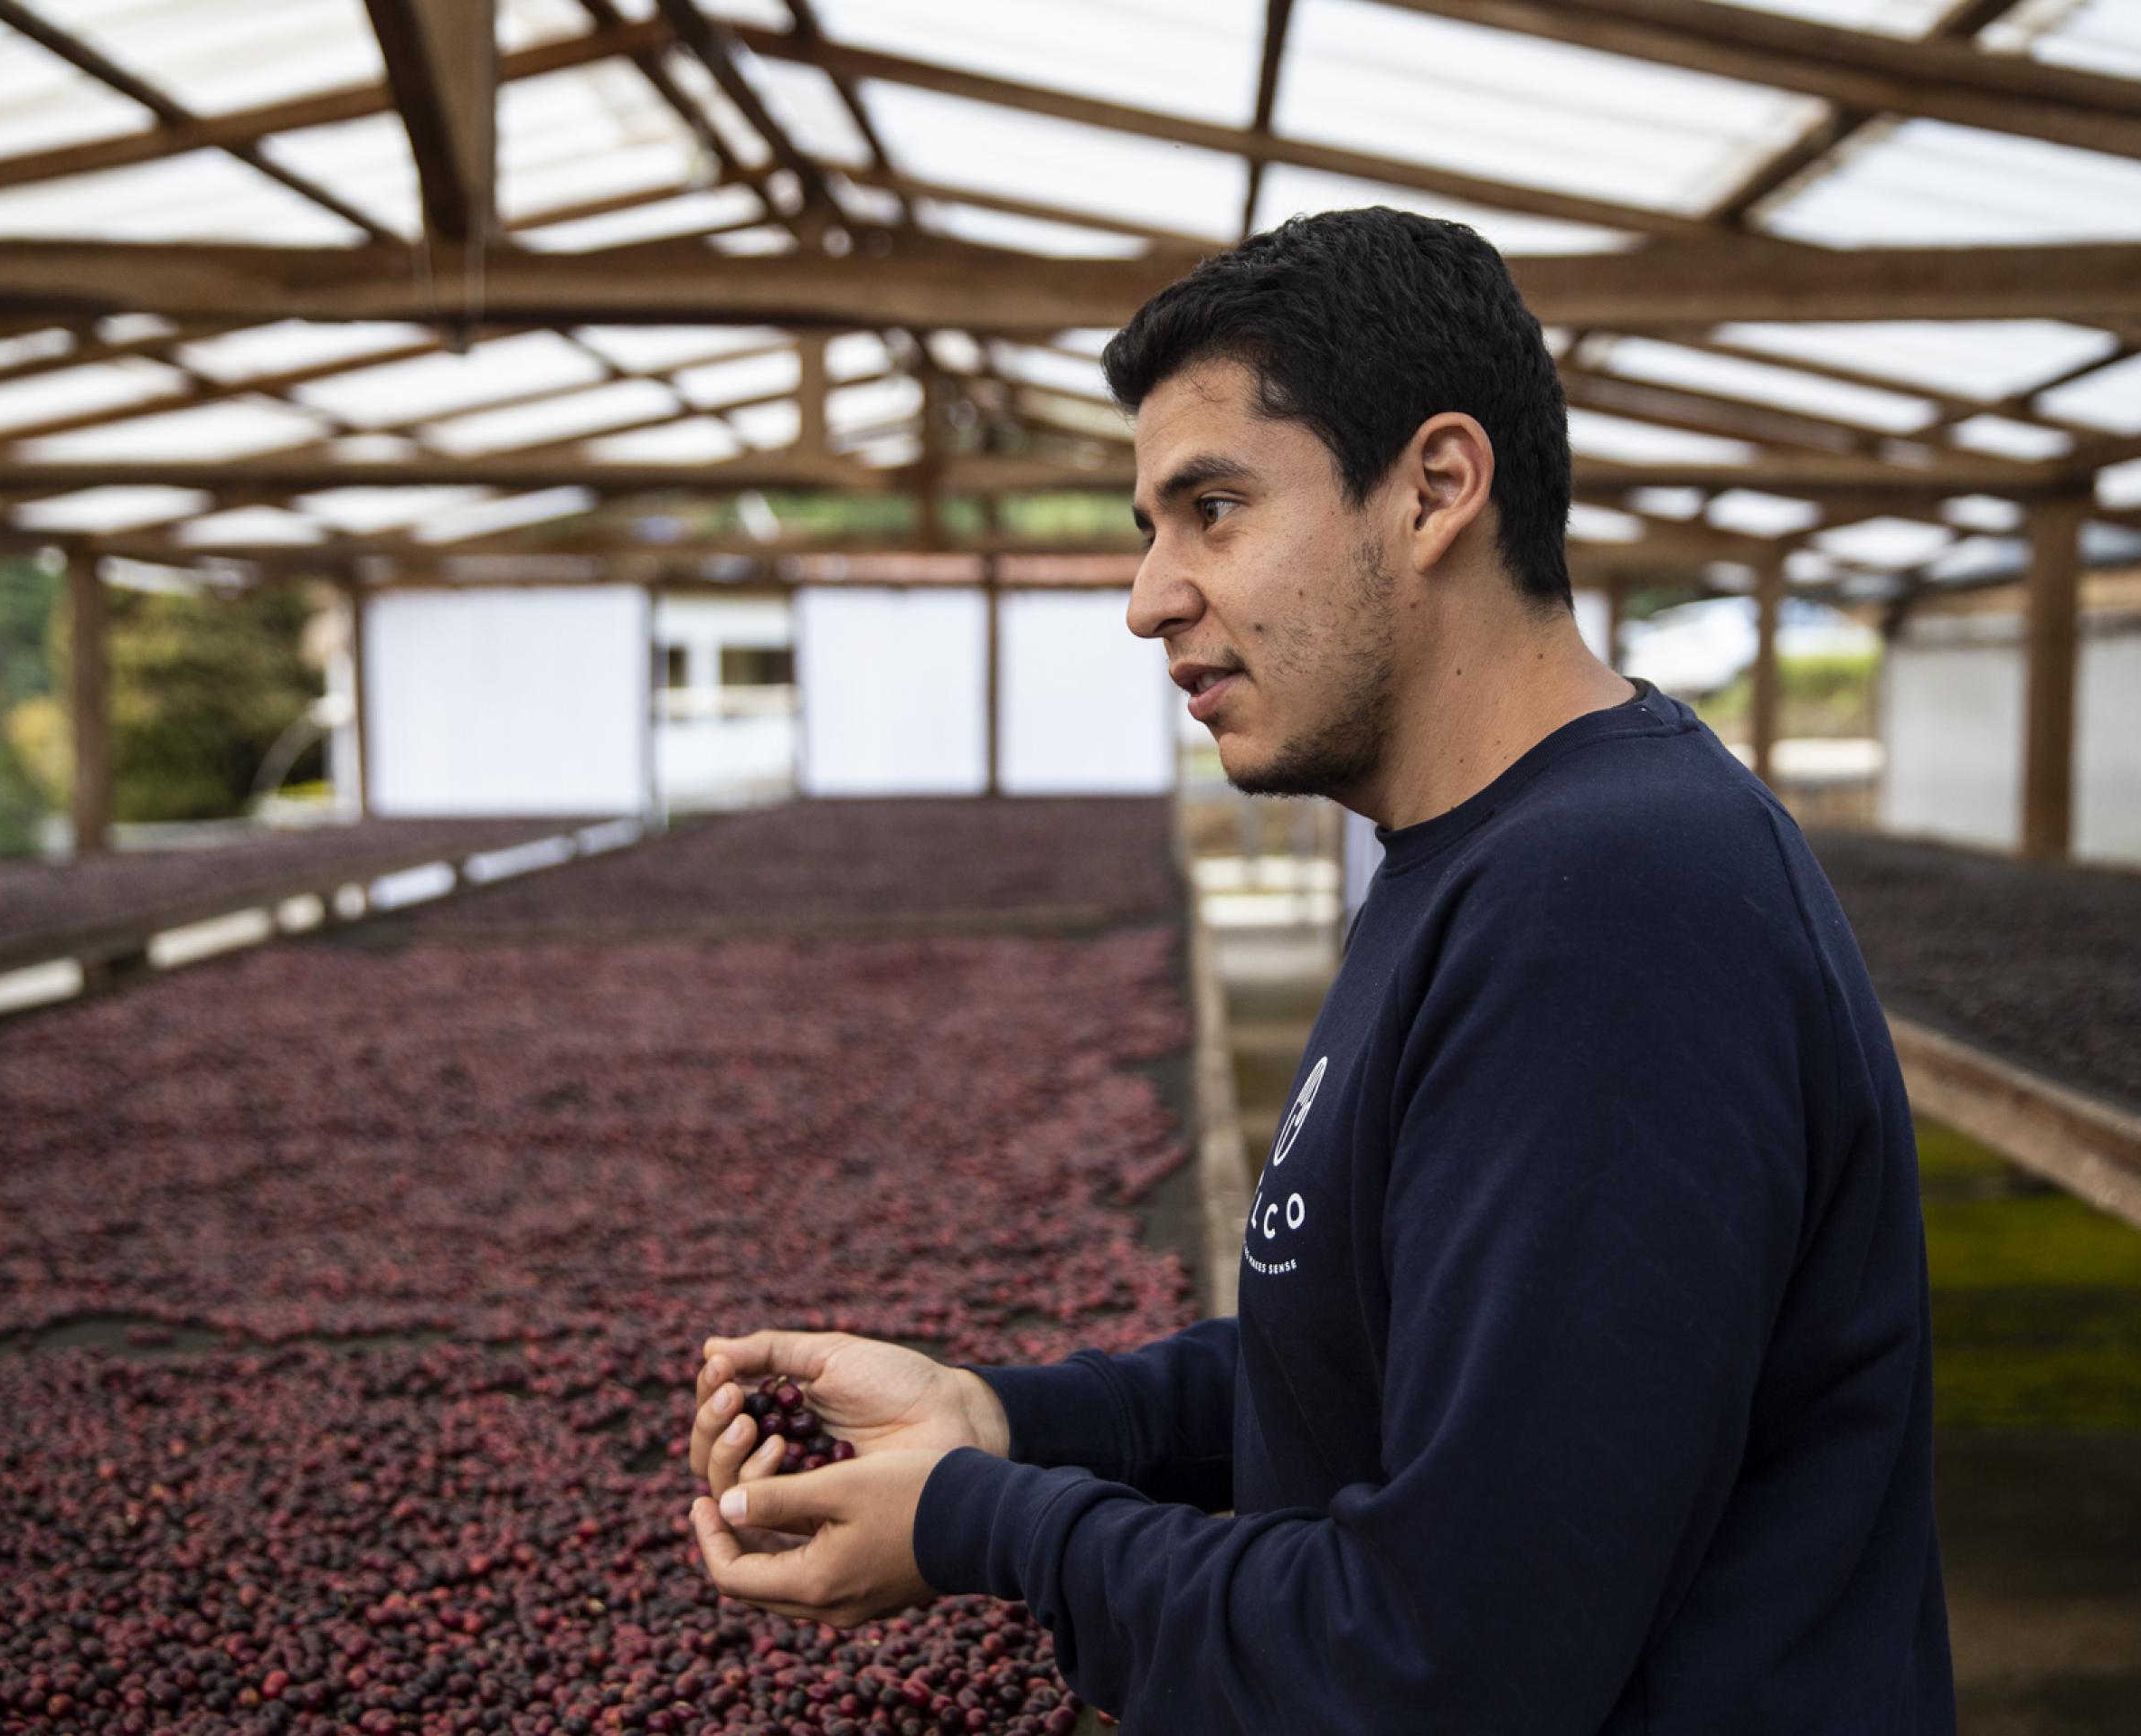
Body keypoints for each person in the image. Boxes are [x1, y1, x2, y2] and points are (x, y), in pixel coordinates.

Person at [685, 206, 1956, 1734]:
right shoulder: (1476, 858)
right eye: (1152, 527)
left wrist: (982, 1525)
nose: (1149, 594)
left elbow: (1439, 1662)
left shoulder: (1608, 906)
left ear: (1433, 489)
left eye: (1212, 507)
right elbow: (1386, 1346)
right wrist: (1011, 1418)